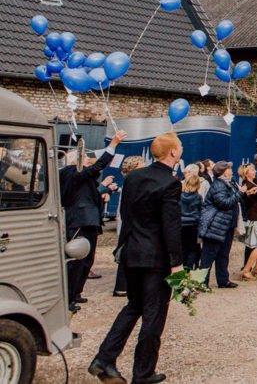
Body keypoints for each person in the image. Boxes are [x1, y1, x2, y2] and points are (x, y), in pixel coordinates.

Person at [88, 133, 184, 384]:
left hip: (132, 251)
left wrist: (124, 246)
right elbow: (170, 225)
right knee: (154, 315)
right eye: (179, 147)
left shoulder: (135, 177)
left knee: (133, 306)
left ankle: (104, 358)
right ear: (173, 152)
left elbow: (127, 214)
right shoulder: (170, 183)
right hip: (155, 258)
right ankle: (143, 372)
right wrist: (177, 263)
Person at [62, 130, 124, 312]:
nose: (88, 161)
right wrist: (113, 144)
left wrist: (107, 190)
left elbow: (92, 194)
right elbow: (97, 167)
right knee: (76, 260)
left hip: (89, 220)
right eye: (85, 159)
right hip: (79, 221)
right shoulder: (69, 173)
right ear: (75, 161)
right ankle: (68, 296)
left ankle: (77, 292)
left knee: (88, 260)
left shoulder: (80, 177)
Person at [198, 161, 244, 289]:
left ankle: (223, 279)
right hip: (216, 225)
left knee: (223, 254)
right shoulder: (218, 185)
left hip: (226, 224)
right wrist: (240, 193)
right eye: (229, 168)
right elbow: (224, 203)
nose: (231, 170)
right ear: (224, 172)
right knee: (209, 254)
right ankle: (201, 281)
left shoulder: (229, 184)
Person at [112, 153, 147, 298]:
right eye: (141, 165)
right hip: (129, 223)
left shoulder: (130, 181)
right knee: (126, 255)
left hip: (128, 222)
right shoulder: (132, 182)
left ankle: (126, 285)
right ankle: (122, 286)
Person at [179, 174, 203, 270]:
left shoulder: (179, 196)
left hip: (181, 225)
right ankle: (189, 268)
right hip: (193, 225)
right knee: (193, 249)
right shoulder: (198, 197)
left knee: (183, 249)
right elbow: (201, 211)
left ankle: (183, 268)